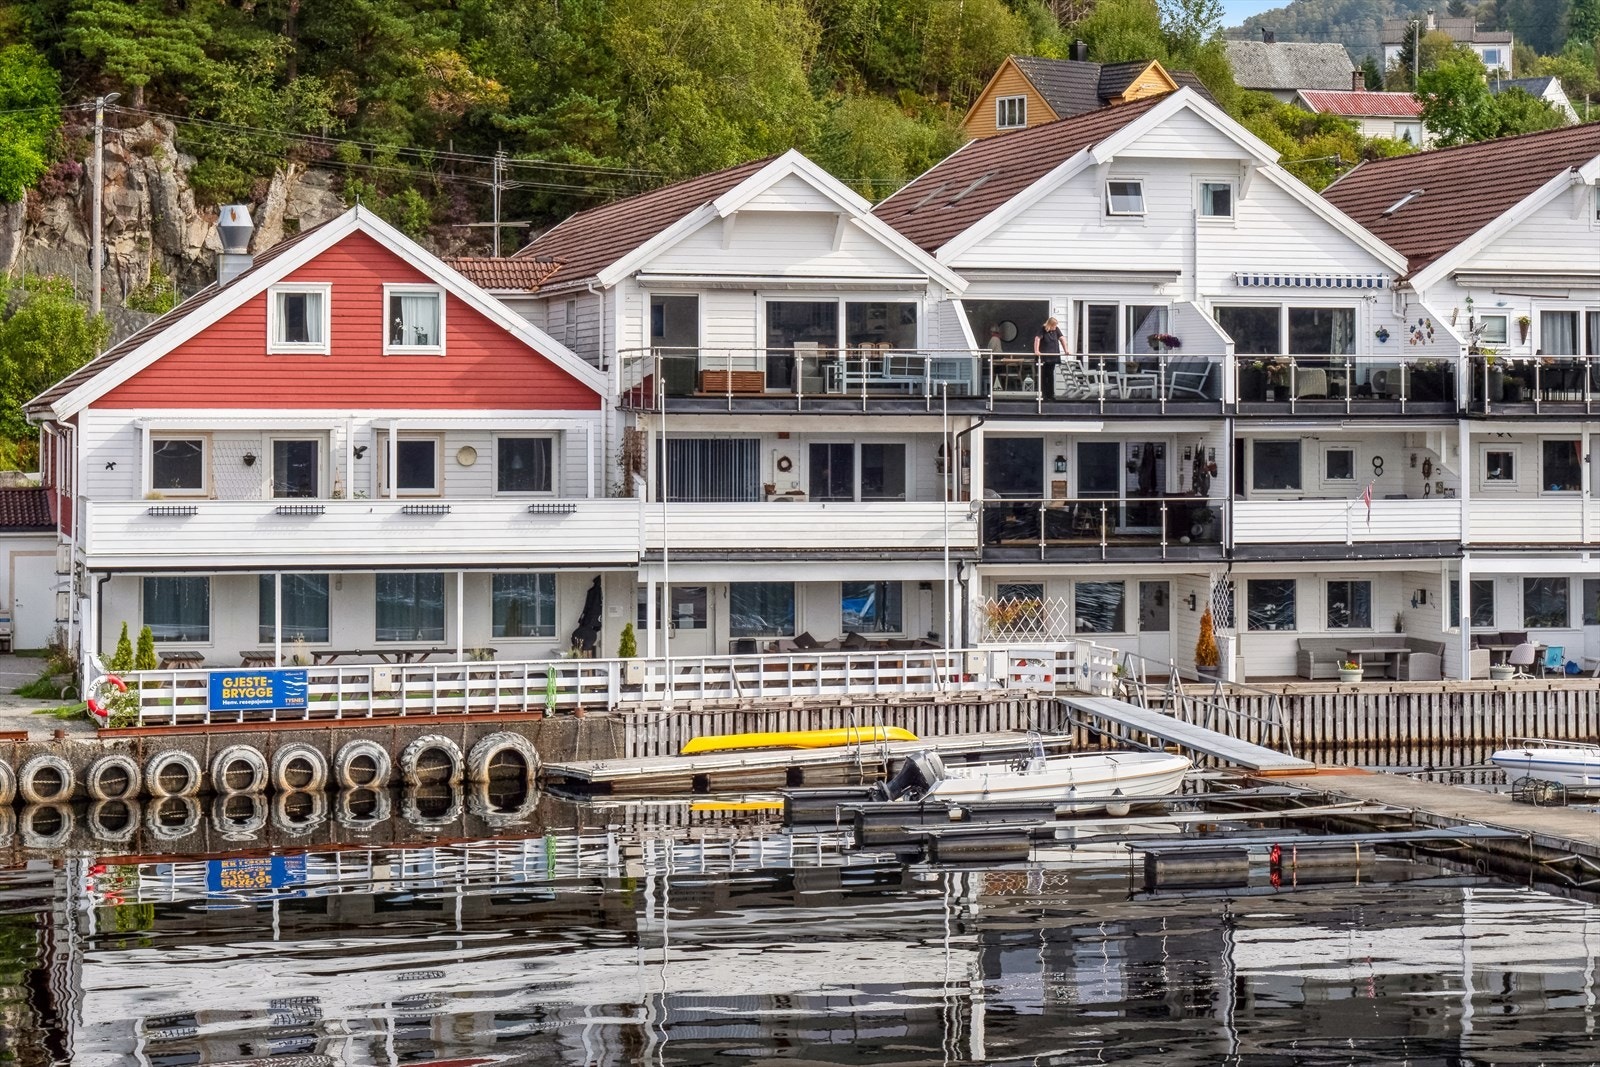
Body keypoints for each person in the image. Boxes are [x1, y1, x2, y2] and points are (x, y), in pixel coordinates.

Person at [1034, 316, 1066, 399]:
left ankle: (1051, 394)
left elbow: (1062, 338)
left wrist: (1066, 350)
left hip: (1053, 356)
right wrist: (1037, 351)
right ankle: (1044, 394)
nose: (1055, 328)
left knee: (1050, 374)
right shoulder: (1043, 329)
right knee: (1044, 375)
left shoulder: (1056, 330)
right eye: (1054, 326)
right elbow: (1037, 339)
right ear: (1050, 325)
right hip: (1045, 357)